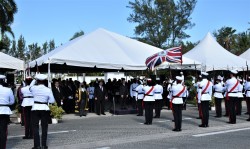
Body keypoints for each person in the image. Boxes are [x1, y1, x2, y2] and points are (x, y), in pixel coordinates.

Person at [30, 74, 55, 149]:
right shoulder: (48, 89)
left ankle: (37, 145)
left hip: (35, 108)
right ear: (44, 81)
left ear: (37, 81)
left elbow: (30, 87)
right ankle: (43, 145)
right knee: (44, 127)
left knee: (35, 127)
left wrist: (34, 79)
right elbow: (52, 100)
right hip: (44, 108)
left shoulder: (33, 88)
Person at [0, 75, 15, 149]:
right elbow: (12, 102)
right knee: (3, 130)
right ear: (3, 81)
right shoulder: (8, 90)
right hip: (4, 110)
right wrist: (5, 104)